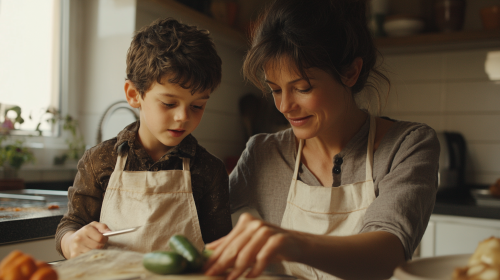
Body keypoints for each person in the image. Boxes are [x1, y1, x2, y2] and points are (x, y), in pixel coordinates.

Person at [203, 0, 440, 279]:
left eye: (302, 88)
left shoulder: (407, 145)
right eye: (276, 90)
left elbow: (389, 254)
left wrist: (292, 242)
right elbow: (210, 235)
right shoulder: (263, 153)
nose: (284, 106)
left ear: (350, 72)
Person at [55, 18, 232, 259]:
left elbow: (220, 248)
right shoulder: (99, 161)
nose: (182, 117)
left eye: (198, 106)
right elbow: (71, 224)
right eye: (169, 103)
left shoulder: (209, 170)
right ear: (133, 94)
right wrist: (71, 241)